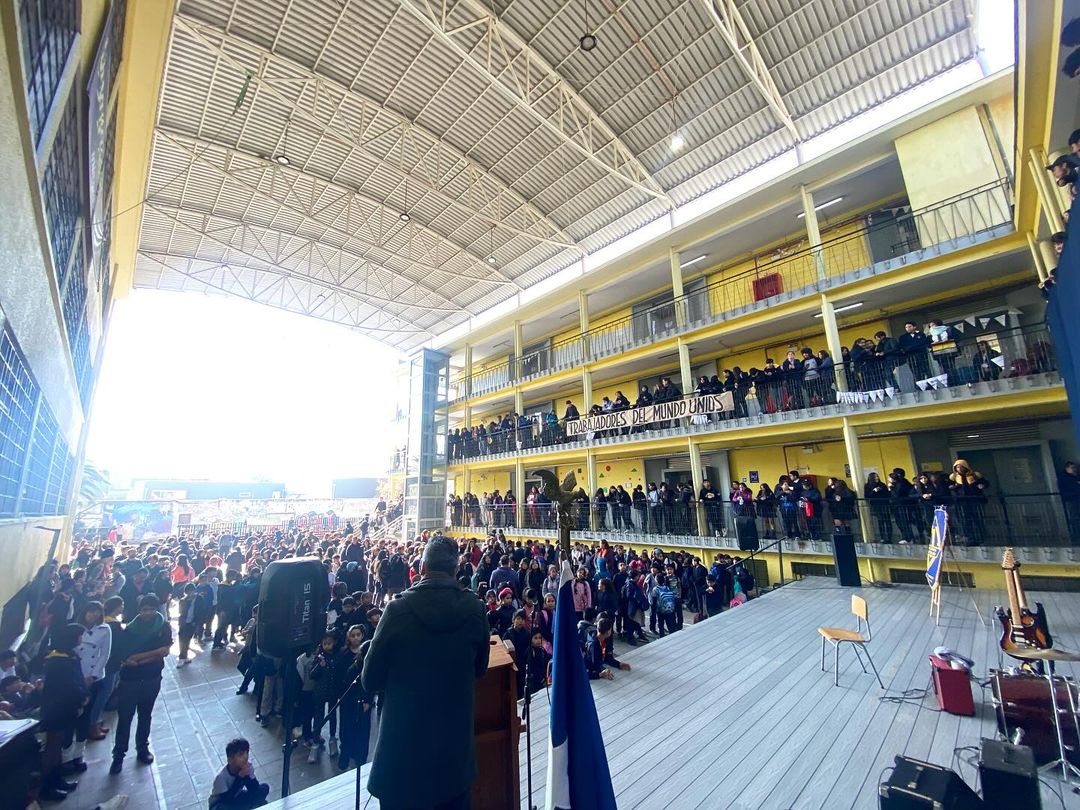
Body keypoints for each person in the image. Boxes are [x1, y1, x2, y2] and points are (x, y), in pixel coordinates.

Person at [362, 535, 489, 810]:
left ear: (422, 567)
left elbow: (369, 680)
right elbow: (480, 669)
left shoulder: (396, 611)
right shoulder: (476, 610)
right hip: (453, 761)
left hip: (402, 759)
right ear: (456, 569)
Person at [111, 593, 173, 774]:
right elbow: (126, 657)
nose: (148, 613)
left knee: (145, 714)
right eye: (145, 610)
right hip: (130, 680)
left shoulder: (163, 627)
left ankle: (142, 749)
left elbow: (164, 651)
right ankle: (118, 755)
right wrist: (153, 654)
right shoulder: (129, 630)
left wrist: (140, 658)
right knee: (125, 717)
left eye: (151, 609)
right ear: (139, 610)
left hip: (152, 677)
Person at [40, 622, 88, 801]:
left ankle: (57, 779)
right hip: (56, 709)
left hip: (66, 708)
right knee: (52, 748)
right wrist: (81, 696)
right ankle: (47, 787)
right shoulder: (58, 661)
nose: (81, 639)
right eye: (79, 636)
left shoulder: (68, 657)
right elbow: (69, 685)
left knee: (58, 746)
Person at [208, 737, 270, 809]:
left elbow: (254, 790)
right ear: (230, 760)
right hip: (220, 803)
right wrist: (240, 777)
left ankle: (251, 805)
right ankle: (252, 805)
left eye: (247, 752)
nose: (246, 757)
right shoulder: (221, 777)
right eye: (241, 754)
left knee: (264, 787)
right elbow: (227, 800)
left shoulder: (247, 767)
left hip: (237, 796)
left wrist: (248, 775)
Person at [864, 472, 892, 542]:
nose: (877, 478)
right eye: (875, 477)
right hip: (876, 505)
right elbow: (867, 496)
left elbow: (887, 494)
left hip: (884, 504)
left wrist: (883, 490)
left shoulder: (882, 485)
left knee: (887, 521)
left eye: (877, 476)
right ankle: (883, 537)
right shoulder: (867, 486)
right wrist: (874, 491)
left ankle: (889, 537)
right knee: (880, 521)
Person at [1060, 462, 1080, 544]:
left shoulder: (1076, 477)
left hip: (1076, 499)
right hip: (1071, 500)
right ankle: (1076, 537)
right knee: (1074, 518)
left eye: (1075, 468)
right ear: (1067, 468)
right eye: (1072, 468)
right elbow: (1065, 490)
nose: (1075, 469)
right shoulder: (1064, 478)